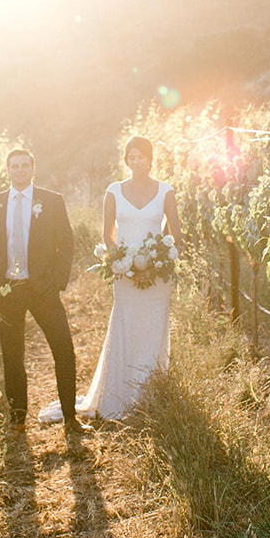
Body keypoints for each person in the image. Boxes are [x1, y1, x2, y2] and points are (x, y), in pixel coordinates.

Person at [40, 134, 179, 423]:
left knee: (154, 329)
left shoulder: (166, 191)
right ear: (126, 159)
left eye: (141, 155)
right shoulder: (113, 191)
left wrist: (158, 261)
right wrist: (122, 263)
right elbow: (108, 234)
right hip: (125, 275)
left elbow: (175, 234)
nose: (136, 160)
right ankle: (120, 395)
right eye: (132, 156)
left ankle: (151, 395)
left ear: (151, 158)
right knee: (125, 328)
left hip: (157, 278)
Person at [0, 148, 91, 436]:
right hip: (7, 291)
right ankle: (17, 421)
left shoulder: (51, 201)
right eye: (14, 165)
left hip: (42, 290)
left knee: (64, 351)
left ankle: (70, 419)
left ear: (33, 169)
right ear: (7, 170)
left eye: (25, 165)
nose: (19, 170)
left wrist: (56, 282)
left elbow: (66, 242)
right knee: (12, 357)